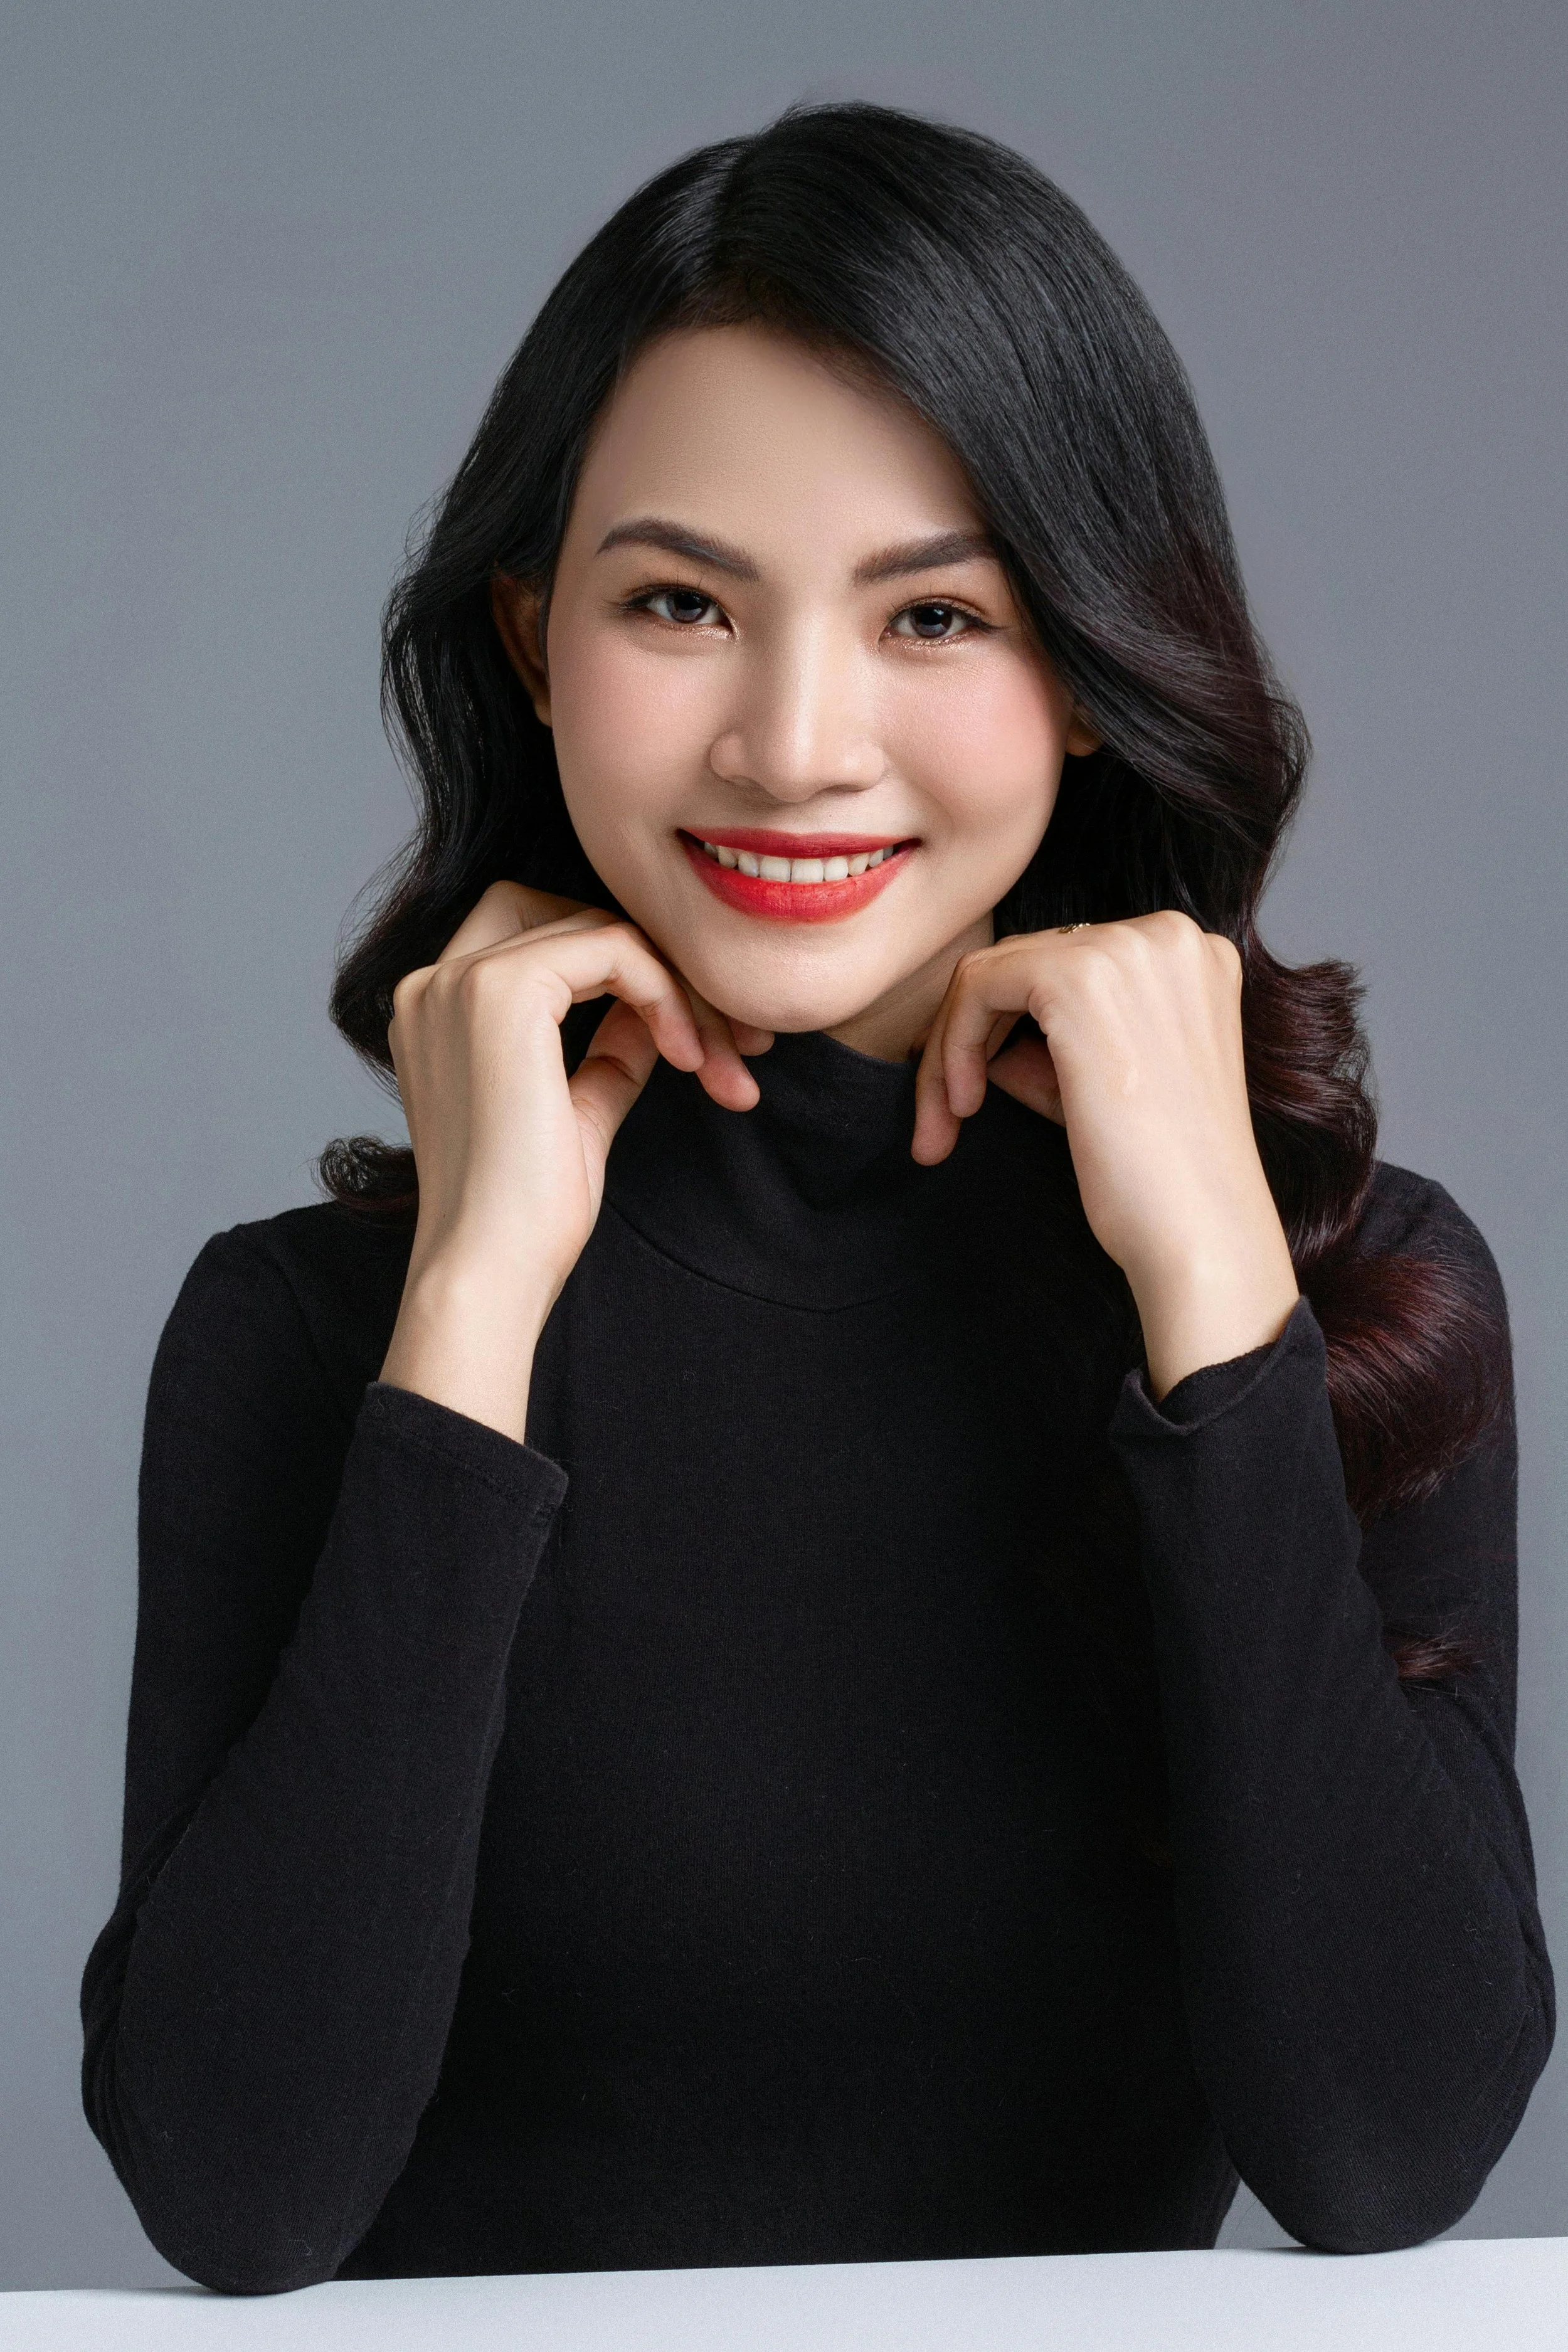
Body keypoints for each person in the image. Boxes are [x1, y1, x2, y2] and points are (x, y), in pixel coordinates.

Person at [80, 102, 1552, 2295]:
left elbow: (1383, 2150)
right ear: (529, 638)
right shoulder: (316, 1335)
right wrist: (475, 1308)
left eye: (933, 616)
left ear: (1087, 665)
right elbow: (236, 2193)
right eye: (680, 600)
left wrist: (1216, 1294)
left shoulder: (1348, 1285)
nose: (791, 742)